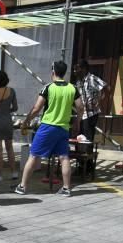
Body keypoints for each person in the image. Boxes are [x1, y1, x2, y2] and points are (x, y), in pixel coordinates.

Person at [15, 60, 84, 197]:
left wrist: (26, 121)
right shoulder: (73, 88)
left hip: (47, 126)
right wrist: (77, 121)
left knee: (34, 155)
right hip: (63, 128)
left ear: (53, 72)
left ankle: (22, 187)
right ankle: (66, 188)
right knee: (64, 157)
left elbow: (36, 108)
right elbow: (81, 107)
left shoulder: (48, 88)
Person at [0, 70, 18, 182]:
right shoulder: (11, 91)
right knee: (10, 148)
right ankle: (14, 172)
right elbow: (15, 108)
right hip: (7, 122)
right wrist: (6, 110)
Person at [74, 59, 108, 142]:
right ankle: (81, 153)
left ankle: (87, 153)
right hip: (81, 112)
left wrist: (100, 101)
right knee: (80, 136)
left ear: (84, 68)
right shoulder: (79, 81)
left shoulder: (92, 79)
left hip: (91, 113)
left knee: (87, 137)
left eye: (77, 69)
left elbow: (106, 88)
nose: (74, 71)